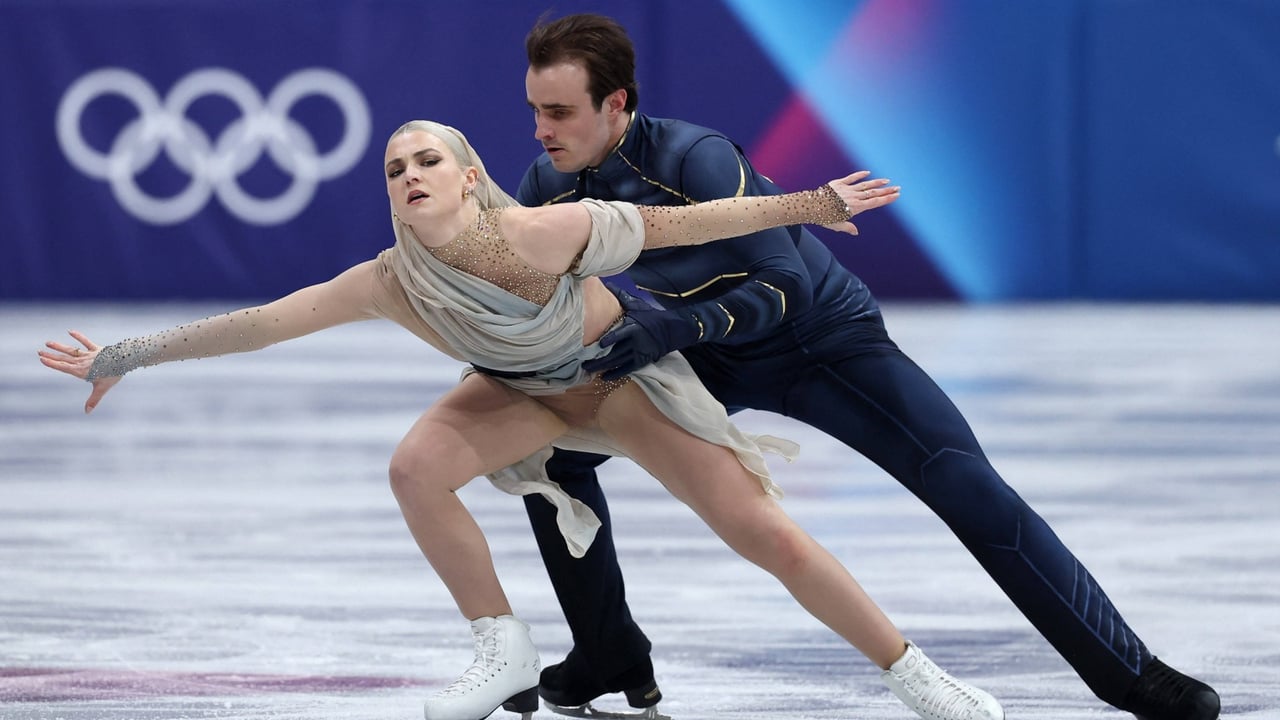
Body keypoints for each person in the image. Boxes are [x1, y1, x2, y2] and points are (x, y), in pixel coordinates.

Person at [38, 120, 1008, 720]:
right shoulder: (386, 282)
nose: (411, 175)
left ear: (467, 176)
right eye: (394, 168)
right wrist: (124, 355)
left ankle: (912, 674)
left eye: (429, 160)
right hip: (518, 392)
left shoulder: (540, 230)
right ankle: (500, 651)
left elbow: (678, 225)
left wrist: (809, 202)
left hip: (622, 383)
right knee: (416, 467)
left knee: (765, 534)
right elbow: (260, 325)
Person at [516, 12, 1220, 720]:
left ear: (617, 104)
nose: (543, 129)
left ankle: (1131, 674)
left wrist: (675, 326)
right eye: (536, 111)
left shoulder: (693, 158)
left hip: (825, 343)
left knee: (966, 485)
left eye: (559, 112)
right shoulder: (547, 188)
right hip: (705, 353)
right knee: (550, 456)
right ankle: (608, 650)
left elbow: (783, 283)